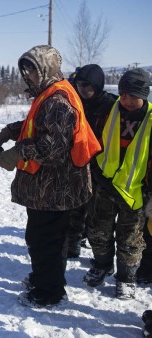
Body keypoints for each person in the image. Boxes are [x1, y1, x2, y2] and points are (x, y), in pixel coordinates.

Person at [0, 45, 100, 307]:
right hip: (46, 190)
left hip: (56, 189)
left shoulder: (58, 100)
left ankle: (49, 292)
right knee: (40, 238)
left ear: (46, 69)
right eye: (25, 69)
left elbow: (53, 148)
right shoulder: (48, 94)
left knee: (48, 241)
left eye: (32, 69)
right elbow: (38, 127)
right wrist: (10, 130)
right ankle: (43, 279)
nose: (27, 74)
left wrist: (17, 152)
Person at [83, 68, 152, 300]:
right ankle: (102, 266)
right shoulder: (108, 111)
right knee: (98, 231)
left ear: (145, 94)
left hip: (136, 192)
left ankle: (126, 278)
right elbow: (92, 139)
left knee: (130, 239)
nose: (127, 101)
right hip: (105, 184)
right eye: (123, 95)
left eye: (133, 96)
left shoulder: (151, 119)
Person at [66, 64, 118, 258]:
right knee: (74, 206)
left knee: (96, 209)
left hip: (101, 163)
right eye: (80, 85)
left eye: (88, 86)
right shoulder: (74, 102)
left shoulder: (111, 105)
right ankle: (73, 243)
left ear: (98, 85)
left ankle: (96, 247)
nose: (83, 90)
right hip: (77, 161)